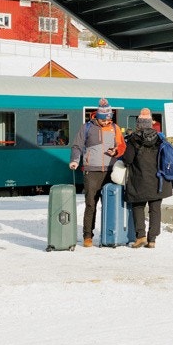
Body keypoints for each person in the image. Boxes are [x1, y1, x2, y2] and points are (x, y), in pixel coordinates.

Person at [68, 99, 126, 247]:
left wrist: (116, 151)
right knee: (90, 204)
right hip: (91, 171)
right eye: (104, 120)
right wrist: (75, 160)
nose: (107, 122)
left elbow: (122, 146)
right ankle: (88, 236)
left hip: (110, 171)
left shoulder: (115, 127)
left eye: (109, 119)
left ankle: (109, 233)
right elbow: (77, 145)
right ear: (98, 117)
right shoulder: (87, 128)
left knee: (110, 204)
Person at [120, 109, 171, 248]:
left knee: (138, 207)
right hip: (158, 180)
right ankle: (152, 239)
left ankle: (141, 236)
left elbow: (128, 160)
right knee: (155, 209)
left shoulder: (134, 139)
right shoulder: (160, 139)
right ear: (150, 124)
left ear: (138, 124)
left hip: (139, 180)